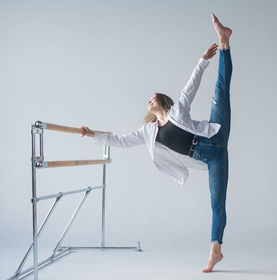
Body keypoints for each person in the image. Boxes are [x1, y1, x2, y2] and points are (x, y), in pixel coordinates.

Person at [81, 13, 232, 273]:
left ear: (161, 101)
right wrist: (93, 134)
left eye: (151, 98)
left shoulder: (177, 111)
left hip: (216, 134)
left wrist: (203, 60)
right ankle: (215, 249)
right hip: (213, 158)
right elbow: (121, 140)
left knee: (221, 89)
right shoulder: (148, 132)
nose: (148, 101)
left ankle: (224, 41)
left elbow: (190, 86)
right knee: (217, 203)